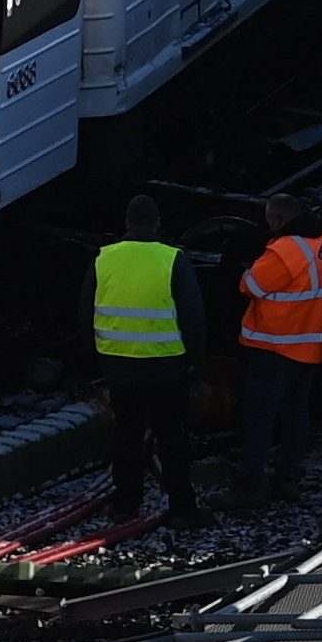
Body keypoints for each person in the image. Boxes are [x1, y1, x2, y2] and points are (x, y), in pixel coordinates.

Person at [89, 196, 203, 526]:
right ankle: (183, 507)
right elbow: (193, 317)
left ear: (127, 221)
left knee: (127, 435)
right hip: (167, 368)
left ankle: (125, 505)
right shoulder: (173, 260)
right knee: (173, 438)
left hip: (120, 368)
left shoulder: (103, 259)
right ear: (156, 223)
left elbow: (86, 313)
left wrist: (101, 359)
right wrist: (195, 362)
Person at [231, 197, 322, 504]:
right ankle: (288, 478)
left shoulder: (286, 251)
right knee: (297, 414)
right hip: (312, 347)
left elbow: (250, 286)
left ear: (278, 220)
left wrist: (247, 269)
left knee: (260, 416)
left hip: (275, 347)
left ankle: (249, 485)